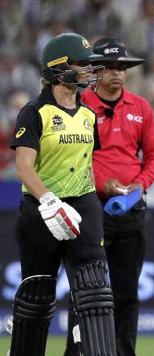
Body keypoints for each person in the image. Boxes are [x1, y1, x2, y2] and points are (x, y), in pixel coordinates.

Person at [8, 32, 117, 356]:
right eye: (82, 63)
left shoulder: (87, 115)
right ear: (59, 67)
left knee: (95, 291)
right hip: (41, 209)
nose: (89, 70)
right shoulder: (34, 112)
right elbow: (24, 168)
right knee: (37, 296)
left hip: (82, 204)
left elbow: (87, 165)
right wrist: (50, 202)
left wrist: (102, 191)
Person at [64, 37, 154, 356]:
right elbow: (73, 159)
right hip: (91, 207)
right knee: (86, 291)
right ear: (95, 71)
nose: (115, 74)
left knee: (126, 292)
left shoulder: (141, 107)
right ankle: (77, 353)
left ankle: (123, 353)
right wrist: (101, 184)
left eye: (120, 67)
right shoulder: (80, 107)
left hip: (131, 208)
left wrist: (140, 185)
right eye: (107, 68)